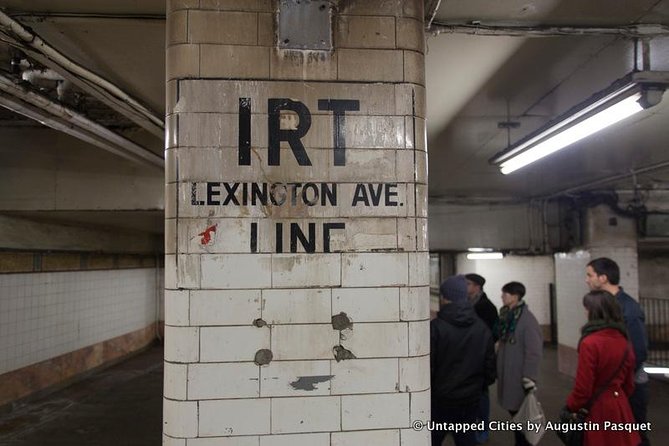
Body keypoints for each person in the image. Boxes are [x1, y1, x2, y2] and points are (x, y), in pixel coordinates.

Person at [586, 257, 650, 446]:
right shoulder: (605, 305)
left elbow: (638, 352)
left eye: (590, 275)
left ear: (603, 278)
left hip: (630, 387)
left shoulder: (628, 308)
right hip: (613, 387)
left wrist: (619, 381)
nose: (586, 279)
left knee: (636, 436)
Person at [565, 290, 640, 446]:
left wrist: (571, 406)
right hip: (619, 406)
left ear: (595, 311)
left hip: (597, 409)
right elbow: (629, 384)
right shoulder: (624, 340)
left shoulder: (590, 342)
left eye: (587, 308)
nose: (585, 312)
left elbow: (583, 389)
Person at [431, 275, 496, 446]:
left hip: (439, 400)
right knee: (466, 440)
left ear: (445, 298)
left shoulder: (436, 328)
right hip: (469, 400)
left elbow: (428, 367)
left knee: (432, 440)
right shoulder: (482, 329)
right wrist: (477, 388)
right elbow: (490, 370)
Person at [496, 281, 543, 446]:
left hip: (520, 379)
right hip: (509, 374)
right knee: (516, 417)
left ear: (515, 297)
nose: (502, 296)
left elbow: (534, 351)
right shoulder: (508, 316)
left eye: (505, 294)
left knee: (522, 417)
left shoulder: (527, 320)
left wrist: (529, 377)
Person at [465, 273, 499, 444]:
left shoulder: (487, 307)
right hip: (467, 356)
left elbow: (494, 334)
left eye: (469, 284)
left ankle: (483, 427)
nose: (466, 287)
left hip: (481, 357)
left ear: (477, 287)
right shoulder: (466, 304)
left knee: (482, 394)